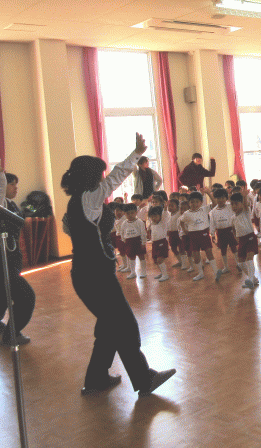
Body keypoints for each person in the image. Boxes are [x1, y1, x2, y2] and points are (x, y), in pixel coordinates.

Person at [61, 133, 175, 396]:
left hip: (87, 275)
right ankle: (144, 379)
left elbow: (71, 230)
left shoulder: (75, 203)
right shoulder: (89, 198)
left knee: (108, 327)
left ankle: (96, 379)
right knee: (124, 325)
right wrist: (136, 153)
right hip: (95, 277)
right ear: (90, 177)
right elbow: (116, 176)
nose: (103, 179)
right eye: (99, 175)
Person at [0, 151, 36, 347]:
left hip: (10, 257)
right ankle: (11, 335)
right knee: (27, 297)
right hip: (2, 258)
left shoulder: (10, 205)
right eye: (12, 184)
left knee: (1, 292)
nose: (15, 187)